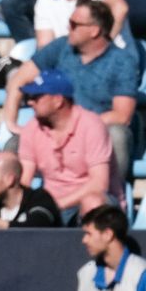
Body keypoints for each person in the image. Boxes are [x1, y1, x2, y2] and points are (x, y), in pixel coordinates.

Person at [4, 0, 138, 181]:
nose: (69, 28)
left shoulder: (122, 61)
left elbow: (122, 115)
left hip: (96, 133)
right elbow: (20, 79)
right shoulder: (61, 47)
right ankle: (14, 205)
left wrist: (77, 127)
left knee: (118, 134)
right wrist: (11, 122)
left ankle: (109, 200)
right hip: (53, 130)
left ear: (95, 30)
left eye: (74, 24)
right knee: (14, 145)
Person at [17, 68, 116, 214]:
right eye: (29, 97)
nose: (30, 102)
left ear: (58, 100)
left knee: (93, 202)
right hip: (51, 203)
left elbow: (99, 184)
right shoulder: (32, 128)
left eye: (36, 96)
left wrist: (56, 205)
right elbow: (24, 180)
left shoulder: (91, 125)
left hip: (88, 204)